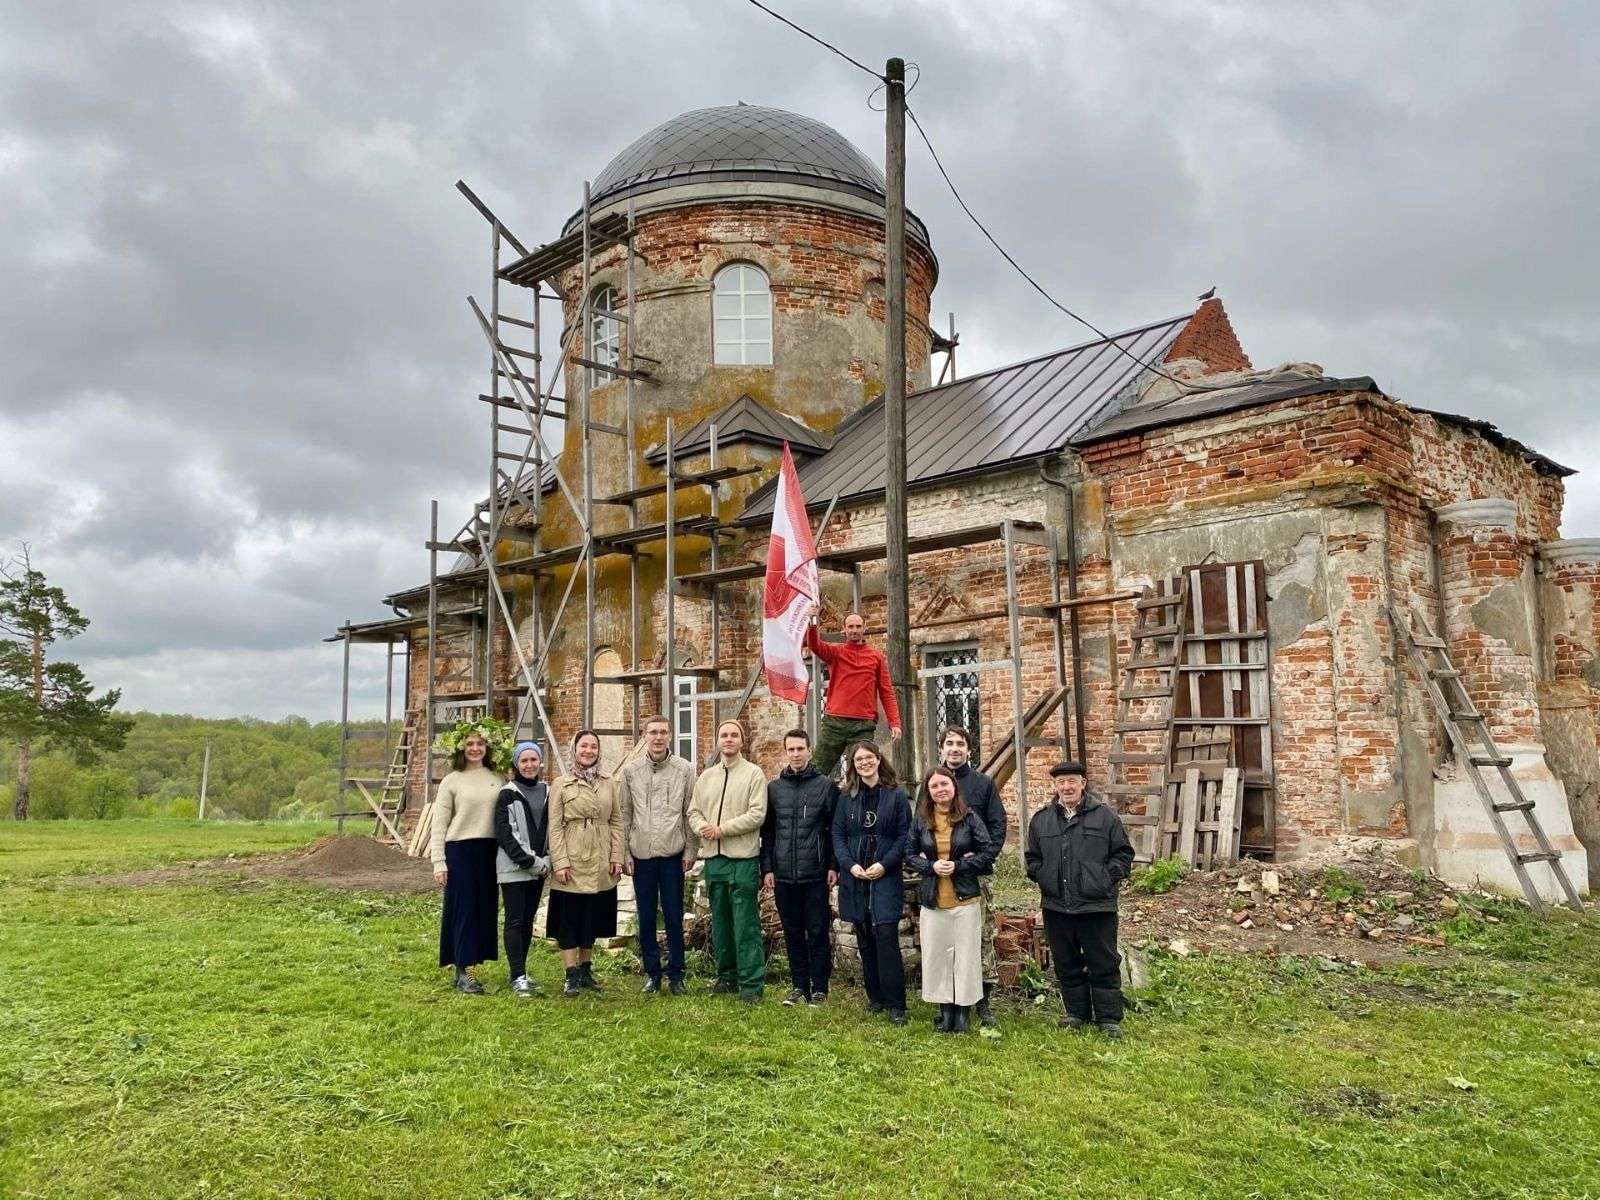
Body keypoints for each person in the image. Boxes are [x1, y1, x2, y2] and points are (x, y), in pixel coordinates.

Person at [1025, 761, 1135, 1038]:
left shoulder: (1105, 817)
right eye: (1061, 782)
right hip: (1056, 905)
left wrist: (1104, 878)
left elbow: (1123, 854)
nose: (1067, 787)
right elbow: (1032, 858)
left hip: (1096, 905)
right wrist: (1043, 876)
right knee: (1066, 962)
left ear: (1083, 783)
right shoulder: (1042, 819)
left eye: (1072, 781)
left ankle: (1109, 1018)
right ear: (1055, 786)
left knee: (1103, 962)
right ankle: (1076, 1013)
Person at [904, 765, 994, 1033]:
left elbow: (987, 851)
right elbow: (908, 853)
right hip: (934, 899)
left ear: (954, 787)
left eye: (944, 784)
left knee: (966, 958)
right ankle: (945, 1013)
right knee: (937, 958)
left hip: (965, 898)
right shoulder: (921, 820)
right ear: (928, 792)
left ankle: (963, 1015)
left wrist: (960, 865)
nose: (940, 789)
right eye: (934, 786)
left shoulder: (969, 817)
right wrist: (930, 866)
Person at [831, 740, 911, 1026]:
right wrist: (849, 865)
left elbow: (904, 836)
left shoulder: (896, 796)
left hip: (884, 876)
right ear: (853, 765)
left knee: (886, 937)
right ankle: (875, 997)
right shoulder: (846, 797)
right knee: (864, 936)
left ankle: (896, 1003)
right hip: (856, 877)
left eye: (868, 758)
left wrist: (884, 864)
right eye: (858, 759)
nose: (864, 763)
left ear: (878, 760)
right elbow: (838, 835)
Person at [690, 719, 769, 1003]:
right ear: (718, 740)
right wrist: (702, 828)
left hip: (742, 858)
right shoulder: (706, 777)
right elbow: (694, 811)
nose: (729, 739)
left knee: (745, 923)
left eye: (734, 735)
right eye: (724, 735)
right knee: (721, 922)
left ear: (741, 741)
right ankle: (726, 976)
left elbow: (757, 814)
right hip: (714, 858)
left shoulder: (754, 774)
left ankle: (751, 984)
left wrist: (722, 829)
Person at [618, 714, 698, 996]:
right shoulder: (630, 772)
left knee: (675, 915)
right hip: (642, 854)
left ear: (670, 736)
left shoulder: (684, 770)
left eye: (663, 732)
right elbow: (624, 814)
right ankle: (652, 973)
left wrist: (691, 849)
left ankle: (677, 974)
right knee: (646, 916)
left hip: (673, 853)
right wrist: (624, 852)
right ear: (644, 735)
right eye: (653, 732)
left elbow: (690, 812)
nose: (658, 737)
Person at [761, 727, 839, 1006]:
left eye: (800, 749)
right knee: (792, 932)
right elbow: (768, 832)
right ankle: (798, 987)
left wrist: (832, 864)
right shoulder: (774, 789)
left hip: (815, 873)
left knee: (817, 932)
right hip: (783, 874)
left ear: (809, 751)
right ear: (786, 752)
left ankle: (819, 988)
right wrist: (767, 868)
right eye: (791, 749)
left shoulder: (825, 787)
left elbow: (833, 830)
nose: (796, 754)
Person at [546, 729, 623, 997]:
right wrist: (561, 861)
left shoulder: (608, 781)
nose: (588, 751)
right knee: (570, 917)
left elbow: (616, 821)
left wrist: (616, 856)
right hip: (573, 854)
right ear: (574, 750)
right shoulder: (561, 783)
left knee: (592, 915)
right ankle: (570, 974)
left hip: (600, 855)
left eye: (593, 747)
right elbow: (554, 827)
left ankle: (586, 968)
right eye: (583, 746)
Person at [938, 725, 1006, 1028]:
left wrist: (979, 859)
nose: (955, 749)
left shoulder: (982, 784)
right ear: (942, 749)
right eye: (949, 743)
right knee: (946, 941)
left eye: (960, 744)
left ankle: (983, 1002)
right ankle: (950, 1000)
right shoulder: (933, 782)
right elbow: (919, 826)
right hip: (941, 878)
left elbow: (997, 828)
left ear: (969, 750)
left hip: (975, 877)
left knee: (980, 940)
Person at [430, 728, 506, 994]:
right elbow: (439, 824)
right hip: (460, 850)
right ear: (460, 749)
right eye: (470, 744)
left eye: (480, 743)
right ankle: (464, 969)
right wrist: (439, 861)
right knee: (463, 909)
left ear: (488, 747)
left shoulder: (498, 778)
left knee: (484, 908)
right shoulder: (452, 781)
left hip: (489, 850)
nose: (475, 748)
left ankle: (471, 962)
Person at [804, 613, 902, 779]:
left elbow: (886, 690)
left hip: (863, 726)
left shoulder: (876, 657)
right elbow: (814, 644)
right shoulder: (836, 653)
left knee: (862, 773)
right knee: (817, 770)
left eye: (858, 626)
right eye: (850, 626)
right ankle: (809, 803)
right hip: (835, 722)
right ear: (844, 629)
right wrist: (813, 620)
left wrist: (895, 722)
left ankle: (859, 804)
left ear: (865, 628)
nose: (854, 630)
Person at [494, 741, 551, 998]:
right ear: (516, 765)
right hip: (515, 868)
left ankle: (522, 973)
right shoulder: (508, 793)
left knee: (528, 920)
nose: (529, 765)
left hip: (540, 868)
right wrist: (532, 862)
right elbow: (506, 834)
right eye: (524, 761)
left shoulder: (548, 791)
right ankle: (517, 976)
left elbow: (551, 829)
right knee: (515, 920)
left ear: (540, 762)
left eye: (533, 760)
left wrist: (547, 860)